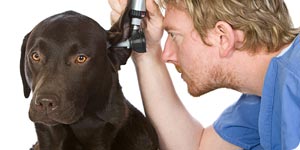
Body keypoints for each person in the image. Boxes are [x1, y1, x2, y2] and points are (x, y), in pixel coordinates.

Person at [108, 0, 300, 149]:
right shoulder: (263, 99)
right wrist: (148, 53)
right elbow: (194, 147)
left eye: (174, 35)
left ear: (222, 37)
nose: (167, 55)